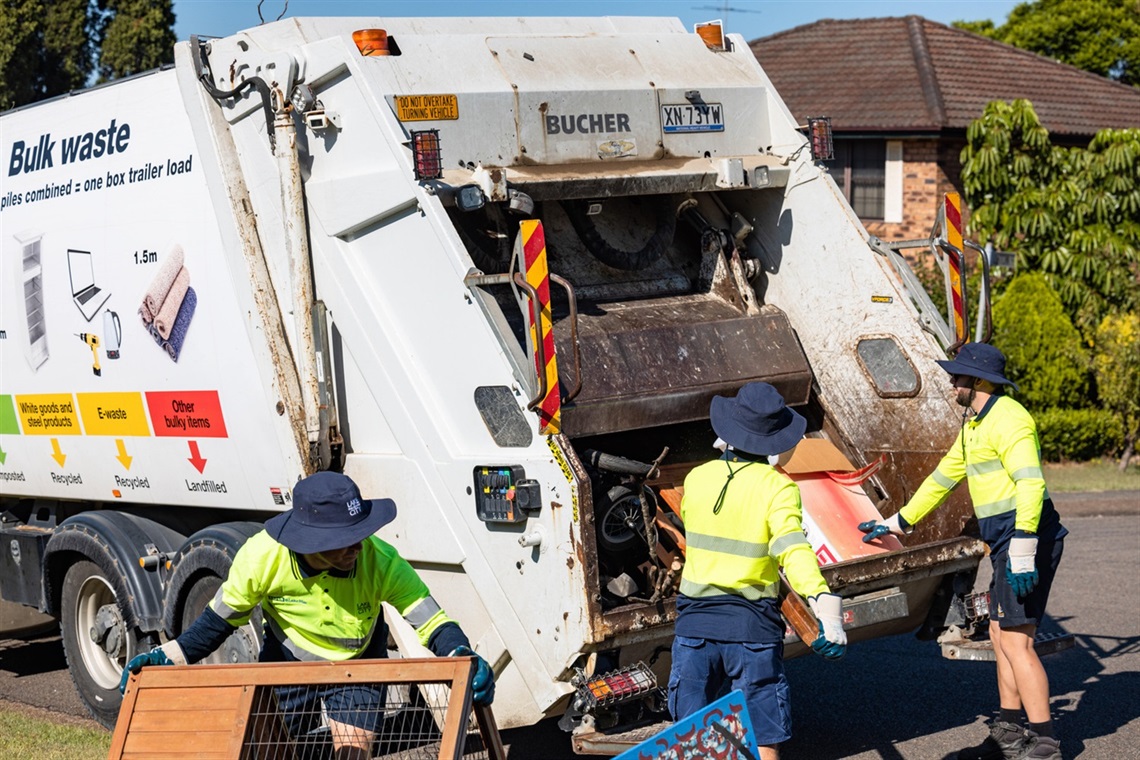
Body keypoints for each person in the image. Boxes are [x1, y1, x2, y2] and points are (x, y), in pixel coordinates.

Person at [120, 471, 493, 759]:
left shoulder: (381, 560)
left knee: (351, 756)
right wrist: (165, 657)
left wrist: (460, 653)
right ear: (311, 540)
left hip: (358, 667)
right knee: (268, 752)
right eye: (345, 540)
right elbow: (218, 622)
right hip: (286, 666)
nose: (358, 547)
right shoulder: (261, 557)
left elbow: (432, 621)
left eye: (360, 533)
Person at [859, 342, 1066, 760]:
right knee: (998, 633)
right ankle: (1009, 732)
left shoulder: (1011, 420)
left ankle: (1045, 743)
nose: (952, 383)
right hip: (1008, 540)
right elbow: (942, 479)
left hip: (1027, 536)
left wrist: (1024, 547)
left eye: (958, 377)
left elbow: (1030, 483)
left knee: (1016, 641)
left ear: (979, 381)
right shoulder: (974, 425)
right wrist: (897, 522)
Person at [668, 382, 847, 760]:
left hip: (694, 631)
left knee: (693, 740)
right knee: (762, 730)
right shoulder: (777, 488)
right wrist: (821, 600)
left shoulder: (695, 480)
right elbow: (791, 548)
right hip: (752, 632)